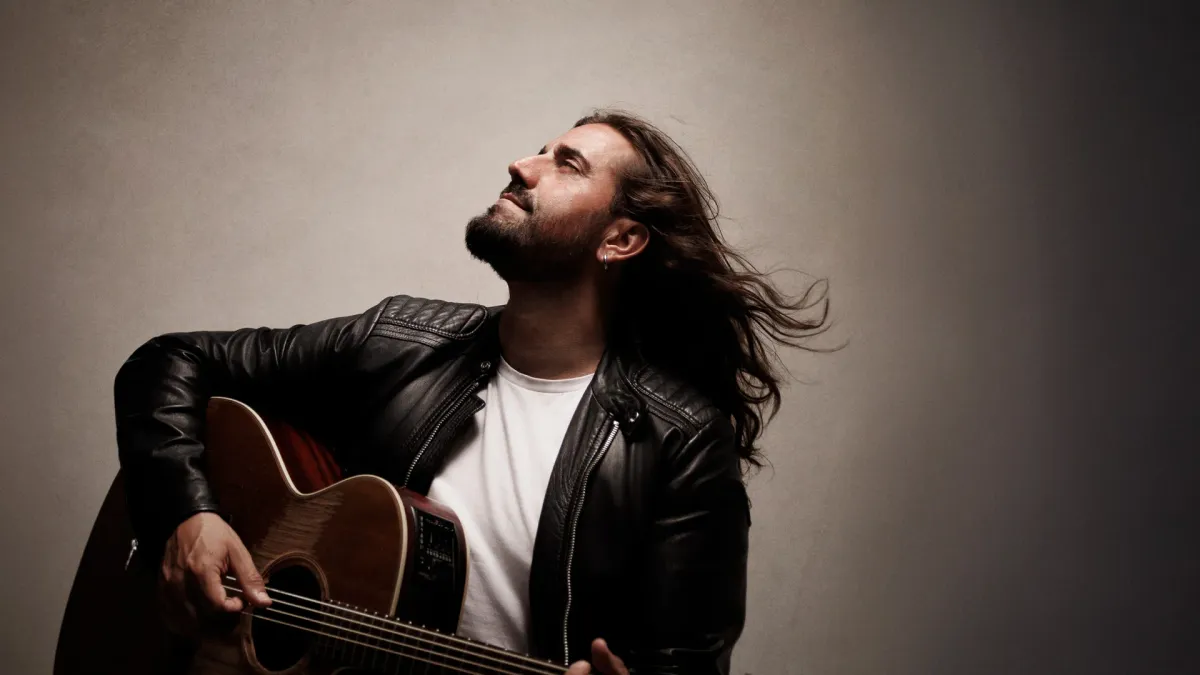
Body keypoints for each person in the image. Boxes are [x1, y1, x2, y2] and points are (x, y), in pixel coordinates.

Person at [114, 109, 829, 675]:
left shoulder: (679, 441)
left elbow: (685, 663)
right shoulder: (398, 339)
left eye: (567, 163)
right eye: (540, 150)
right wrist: (186, 514)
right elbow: (170, 361)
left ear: (619, 239)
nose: (522, 165)